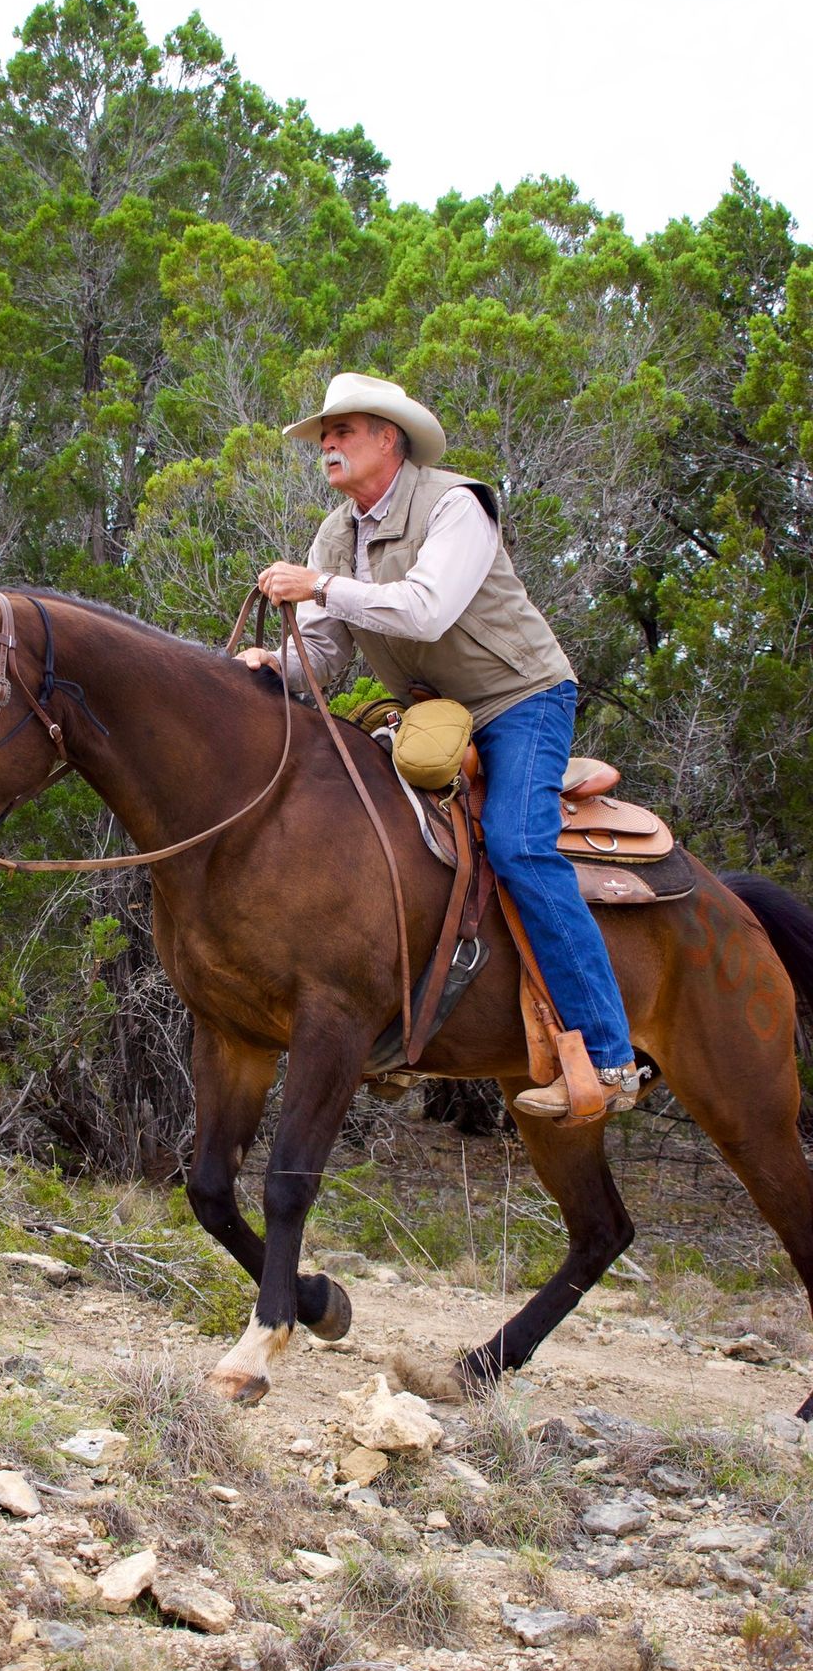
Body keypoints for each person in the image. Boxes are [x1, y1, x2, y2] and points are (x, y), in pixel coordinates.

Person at [239, 371, 639, 1120]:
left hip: (520, 699)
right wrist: (269, 668)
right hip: (437, 713)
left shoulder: (456, 504)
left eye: (343, 431)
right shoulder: (338, 531)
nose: (326, 444)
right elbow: (323, 658)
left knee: (520, 847)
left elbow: (424, 612)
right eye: (323, 435)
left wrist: (319, 585)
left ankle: (611, 1058)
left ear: (388, 438)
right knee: (365, 836)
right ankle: (396, 1033)